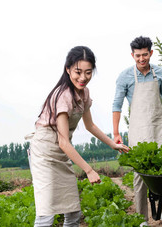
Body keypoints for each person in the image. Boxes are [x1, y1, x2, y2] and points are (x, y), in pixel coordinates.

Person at [26, 46, 129, 227]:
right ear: (68, 69)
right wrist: (88, 170)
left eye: (88, 73)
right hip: (45, 152)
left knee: (73, 211)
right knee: (46, 213)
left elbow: (90, 125)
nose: (83, 78)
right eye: (78, 72)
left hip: (61, 151)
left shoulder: (83, 93)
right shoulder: (63, 96)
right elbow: (64, 141)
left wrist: (113, 144)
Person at [112, 36, 162, 226]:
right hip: (139, 129)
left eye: (145, 55)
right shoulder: (125, 76)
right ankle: (142, 218)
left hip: (159, 126)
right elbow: (116, 105)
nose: (141, 59)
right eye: (137, 56)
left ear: (151, 53)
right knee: (140, 173)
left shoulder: (159, 73)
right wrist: (116, 132)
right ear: (132, 55)